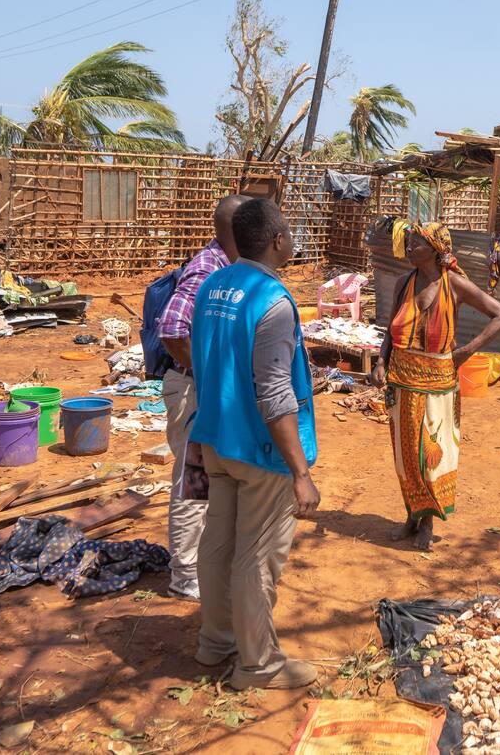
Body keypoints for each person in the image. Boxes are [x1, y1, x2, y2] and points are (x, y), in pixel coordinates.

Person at [188, 197, 321, 690]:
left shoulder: (213, 285)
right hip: (259, 450)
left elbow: (204, 359)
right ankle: (258, 665)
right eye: (289, 231)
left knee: (218, 542)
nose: (293, 238)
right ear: (276, 240)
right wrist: (301, 473)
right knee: (257, 556)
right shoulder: (273, 301)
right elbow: (276, 393)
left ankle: (215, 641)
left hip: (216, 438)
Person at [370, 222, 500, 551]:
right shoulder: (403, 283)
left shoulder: (455, 284)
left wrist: (466, 351)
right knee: (405, 456)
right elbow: (390, 330)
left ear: (435, 249)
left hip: (438, 383)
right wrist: (380, 362)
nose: (409, 246)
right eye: (409, 241)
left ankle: (429, 521)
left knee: (432, 454)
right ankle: (412, 516)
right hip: (402, 382)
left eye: (416, 242)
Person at [158, 194, 249, 600]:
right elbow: (172, 328)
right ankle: (184, 576)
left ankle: (202, 563)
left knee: (210, 480)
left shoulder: (229, 266)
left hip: (206, 390)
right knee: (193, 482)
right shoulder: (207, 269)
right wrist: (205, 372)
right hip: (193, 390)